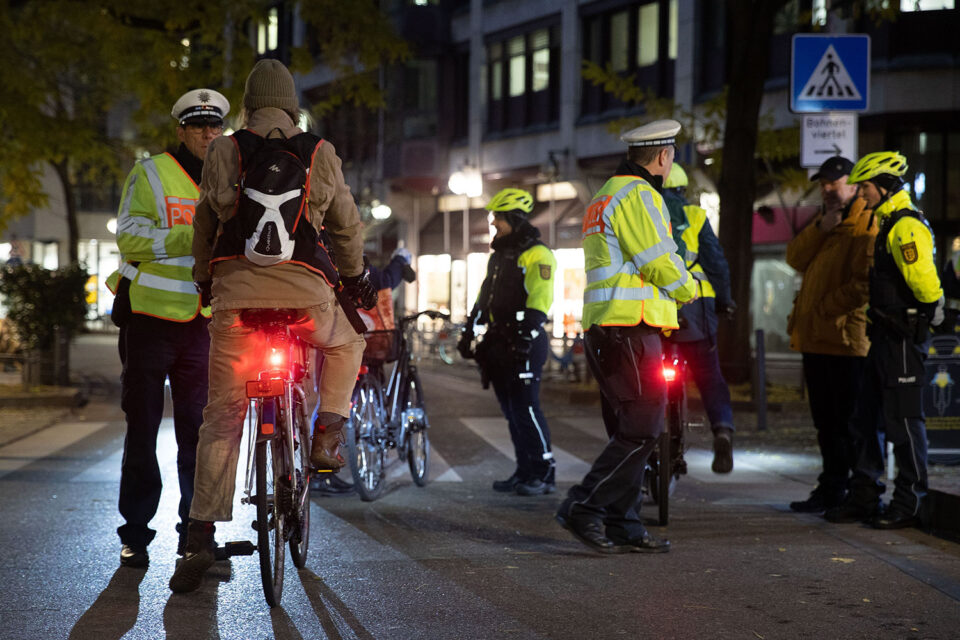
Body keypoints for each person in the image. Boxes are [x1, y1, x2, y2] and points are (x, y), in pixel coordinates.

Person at [170, 59, 373, 592]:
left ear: (247, 104)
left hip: (235, 296)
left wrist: (203, 281)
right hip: (305, 296)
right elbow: (346, 229)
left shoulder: (223, 148)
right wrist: (354, 279)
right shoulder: (320, 152)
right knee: (350, 341)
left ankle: (199, 532)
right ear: (291, 104)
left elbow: (207, 225)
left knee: (222, 415)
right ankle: (327, 433)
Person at [555, 119, 697, 553]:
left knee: (630, 427)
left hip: (609, 329)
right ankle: (584, 506)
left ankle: (625, 523)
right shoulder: (640, 195)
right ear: (663, 157)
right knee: (642, 429)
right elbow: (658, 260)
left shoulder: (605, 195)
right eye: (671, 156)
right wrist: (688, 291)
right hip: (630, 329)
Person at [105, 88, 229, 568]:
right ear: (181, 130)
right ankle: (135, 531)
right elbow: (131, 235)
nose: (207, 134)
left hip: (203, 325)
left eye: (215, 126)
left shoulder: (231, 178)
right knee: (142, 429)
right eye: (199, 126)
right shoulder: (152, 171)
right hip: (149, 321)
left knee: (198, 435)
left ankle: (195, 534)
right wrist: (193, 232)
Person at [824, 151, 944, 530]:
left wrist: (931, 311)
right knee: (865, 419)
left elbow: (924, 284)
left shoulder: (905, 227)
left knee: (904, 422)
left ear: (885, 185)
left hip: (902, 340)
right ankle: (864, 495)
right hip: (885, 339)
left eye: (865, 186)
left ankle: (910, 502)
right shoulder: (890, 221)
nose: (861, 193)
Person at [784, 156, 876, 513]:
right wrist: (822, 226)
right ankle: (831, 487)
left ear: (853, 185)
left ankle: (855, 492)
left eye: (834, 183)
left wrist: (823, 309)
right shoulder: (827, 221)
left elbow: (862, 284)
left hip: (845, 341)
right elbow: (794, 257)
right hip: (816, 339)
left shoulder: (865, 222)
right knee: (825, 422)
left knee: (847, 422)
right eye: (823, 183)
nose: (827, 189)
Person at [457, 188, 558, 496]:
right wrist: (469, 330)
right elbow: (484, 296)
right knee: (512, 411)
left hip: (524, 342)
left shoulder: (537, 254)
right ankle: (524, 470)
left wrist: (526, 337)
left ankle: (544, 472)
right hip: (498, 341)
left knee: (526, 408)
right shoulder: (500, 256)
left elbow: (540, 300)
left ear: (514, 218)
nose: (494, 224)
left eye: (498, 218)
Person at [313, 246, 416, 497]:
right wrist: (399, 261)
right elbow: (381, 280)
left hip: (310, 328)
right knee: (332, 401)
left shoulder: (311, 249)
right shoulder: (346, 254)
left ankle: (319, 474)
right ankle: (322, 473)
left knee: (322, 399)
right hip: (352, 338)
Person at [661, 162, 737, 473]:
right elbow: (716, 263)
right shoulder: (694, 215)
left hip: (657, 309)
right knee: (709, 376)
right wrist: (725, 300)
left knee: (654, 375)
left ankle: (654, 435)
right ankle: (721, 429)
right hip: (696, 309)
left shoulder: (647, 213)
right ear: (681, 190)